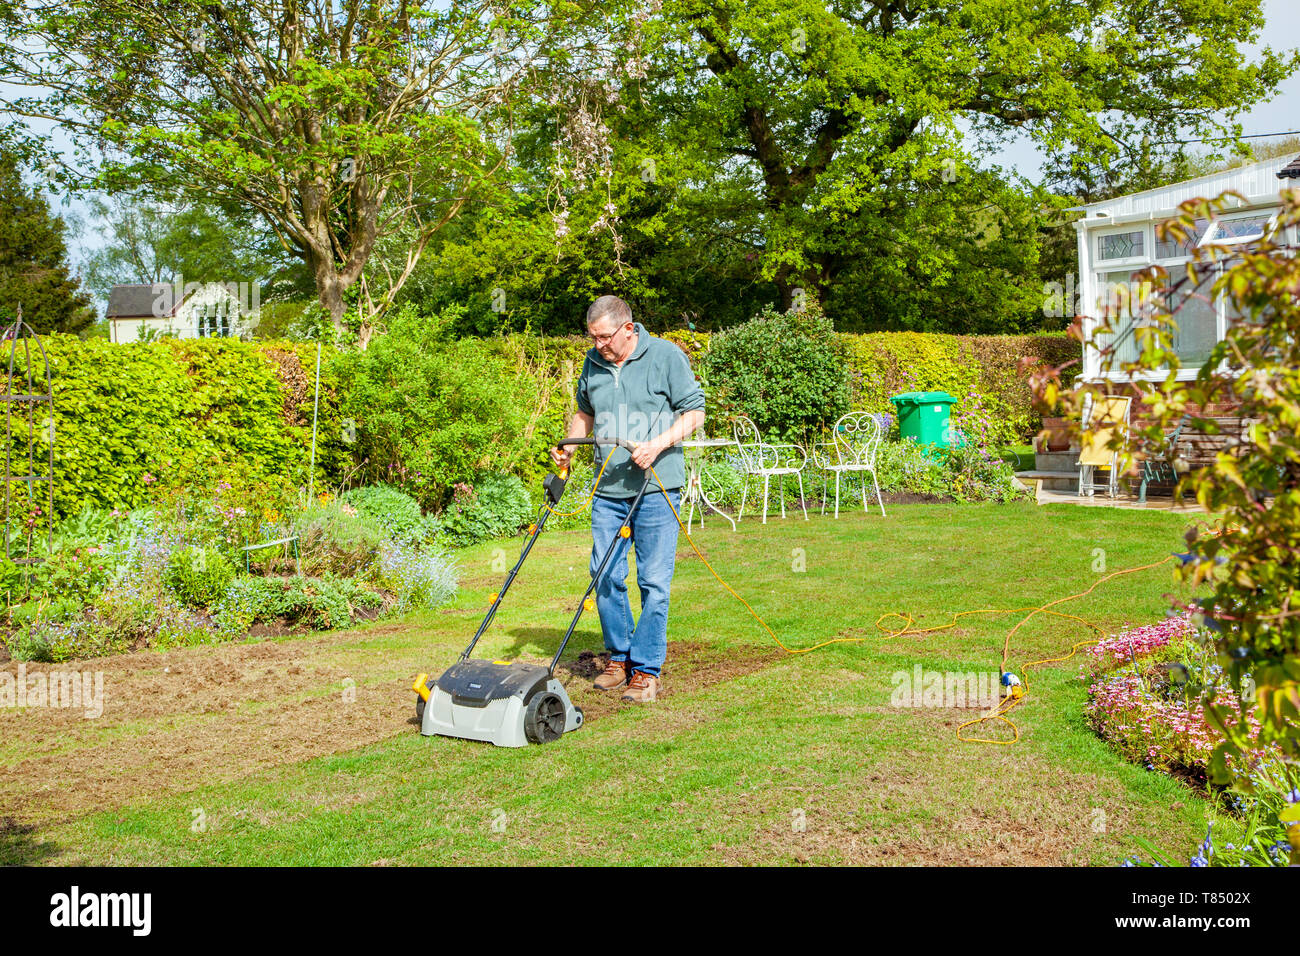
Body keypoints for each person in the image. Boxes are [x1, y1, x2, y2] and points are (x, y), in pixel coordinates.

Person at [551, 295, 706, 703]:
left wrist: (656, 445)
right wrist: (571, 444)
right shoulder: (593, 363)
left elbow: (695, 412)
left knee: (653, 581)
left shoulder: (666, 356)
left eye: (605, 337)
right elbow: (585, 413)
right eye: (593, 337)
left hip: (657, 489)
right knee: (604, 575)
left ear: (628, 329)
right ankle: (619, 658)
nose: (599, 344)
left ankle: (647, 670)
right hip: (608, 490)